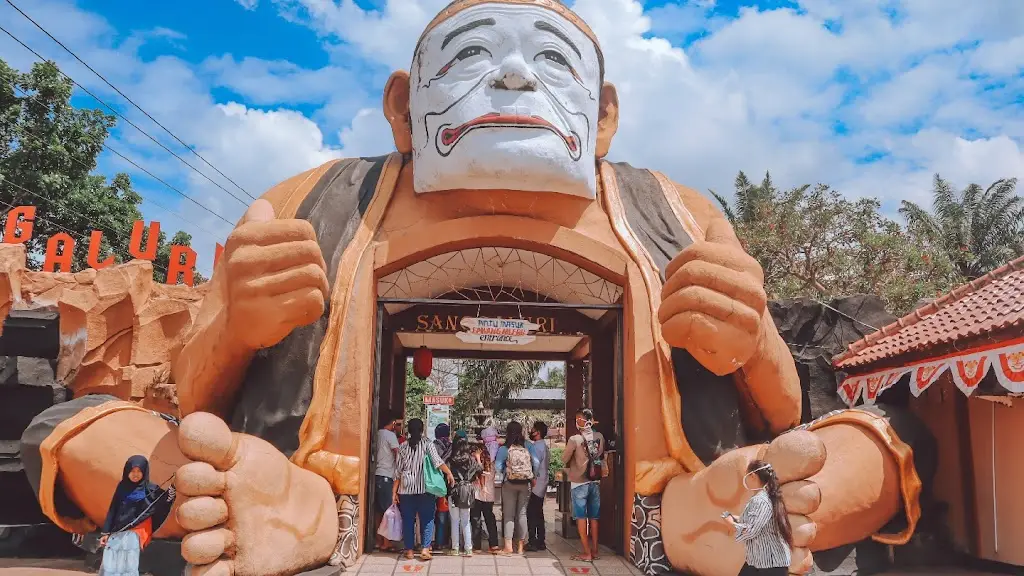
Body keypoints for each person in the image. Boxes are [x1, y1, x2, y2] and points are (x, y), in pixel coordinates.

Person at [98, 456, 175, 576]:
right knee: (111, 561)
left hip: (137, 531)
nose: (135, 474)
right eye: (132, 471)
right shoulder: (122, 487)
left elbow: (164, 501)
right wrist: (105, 532)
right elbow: (114, 509)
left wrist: (172, 490)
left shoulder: (150, 489)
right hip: (117, 530)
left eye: (139, 471)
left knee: (129, 562)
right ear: (127, 471)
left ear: (144, 472)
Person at [393, 418, 455, 561]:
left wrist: (394, 492)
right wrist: (449, 473)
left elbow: (397, 471)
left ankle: (409, 551)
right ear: (422, 430)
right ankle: (425, 549)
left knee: (408, 521)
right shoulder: (428, 444)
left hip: (406, 490)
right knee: (427, 519)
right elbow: (437, 462)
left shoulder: (402, 446)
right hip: (425, 489)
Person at [724, 460, 793, 576]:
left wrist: (730, 523)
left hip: (771, 565)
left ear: (753, 476)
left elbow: (750, 531)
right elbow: (758, 522)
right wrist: (738, 519)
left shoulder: (760, 500)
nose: (745, 481)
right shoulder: (765, 497)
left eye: (746, 476)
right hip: (759, 561)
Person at [561, 409, 605, 562]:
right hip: (595, 481)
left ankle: (586, 553)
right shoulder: (599, 437)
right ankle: (595, 551)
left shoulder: (575, 439)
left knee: (581, 517)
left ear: (581, 420)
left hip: (579, 482)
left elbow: (564, 457)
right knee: (594, 517)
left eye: (577, 419)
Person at [495, 421, 534, 555]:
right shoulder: (528, 446)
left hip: (509, 484)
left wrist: (507, 471)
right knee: (522, 514)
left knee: (509, 515)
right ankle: (521, 547)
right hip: (525, 484)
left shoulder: (504, 448)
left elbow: (498, 467)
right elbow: (537, 463)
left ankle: (508, 547)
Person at [446, 432, 481, 557]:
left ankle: (455, 548)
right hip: (467, 492)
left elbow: (446, 477)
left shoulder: (450, 460)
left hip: (454, 492)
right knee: (466, 520)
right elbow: (479, 469)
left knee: (454, 520)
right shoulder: (471, 460)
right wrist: (477, 458)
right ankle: (468, 548)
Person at [375, 413, 402, 552]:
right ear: (392, 424)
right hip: (387, 475)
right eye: (397, 424)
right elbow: (398, 452)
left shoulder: (377, 433)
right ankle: (386, 542)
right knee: (387, 510)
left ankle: (378, 541)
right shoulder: (390, 435)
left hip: (377, 474)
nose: (398, 427)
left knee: (378, 511)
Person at [470, 444, 500, 554]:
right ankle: (494, 544)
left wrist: (477, 458)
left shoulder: (476, 463)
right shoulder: (491, 464)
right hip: (489, 496)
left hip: (477, 495)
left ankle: (477, 546)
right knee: (490, 520)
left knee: (476, 520)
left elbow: (480, 472)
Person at [526, 420, 550, 551]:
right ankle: (541, 540)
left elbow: (534, 463)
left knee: (532, 512)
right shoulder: (544, 446)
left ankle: (533, 541)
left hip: (537, 483)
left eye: (533, 429)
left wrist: (532, 477)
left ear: (538, 432)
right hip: (543, 481)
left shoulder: (536, 447)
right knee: (539, 513)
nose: (531, 431)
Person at [432, 423, 453, 551]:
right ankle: (446, 540)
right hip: (449, 482)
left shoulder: (434, 446)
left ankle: (438, 542)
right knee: (446, 511)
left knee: (437, 513)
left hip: (436, 482)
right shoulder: (452, 446)